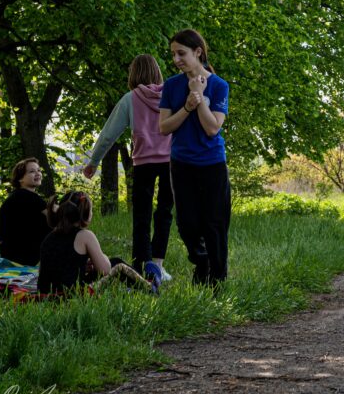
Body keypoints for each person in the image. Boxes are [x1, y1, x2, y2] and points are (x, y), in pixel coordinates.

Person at [83, 55, 173, 279]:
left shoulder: (130, 99)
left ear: (133, 74)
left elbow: (108, 135)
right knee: (164, 213)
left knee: (141, 216)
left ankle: (142, 265)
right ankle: (158, 265)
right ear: (157, 72)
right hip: (172, 162)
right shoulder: (172, 95)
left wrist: (94, 161)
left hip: (144, 163)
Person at [158, 29, 231, 286]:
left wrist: (199, 98)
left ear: (197, 52)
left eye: (182, 53)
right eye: (173, 54)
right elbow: (164, 127)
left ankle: (217, 281)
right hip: (182, 164)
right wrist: (187, 106)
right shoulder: (171, 85)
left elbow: (212, 128)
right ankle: (202, 263)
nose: (177, 59)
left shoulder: (220, 86)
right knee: (187, 224)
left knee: (214, 224)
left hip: (212, 165)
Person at [38, 190, 157, 295]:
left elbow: (60, 266)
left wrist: (83, 266)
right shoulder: (85, 235)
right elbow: (105, 269)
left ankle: (143, 281)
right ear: (85, 213)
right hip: (71, 295)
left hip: (45, 293)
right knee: (117, 264)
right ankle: (150, 287)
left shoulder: (49, 237)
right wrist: (103, 257)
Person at [0, 158, 50, 266]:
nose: (38, 173)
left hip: (10, 253)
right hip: (21, 255)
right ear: (20, 179)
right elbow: (57, 216)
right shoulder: (27, 196)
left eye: (39, 170)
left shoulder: (18, 195)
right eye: (32, 171)